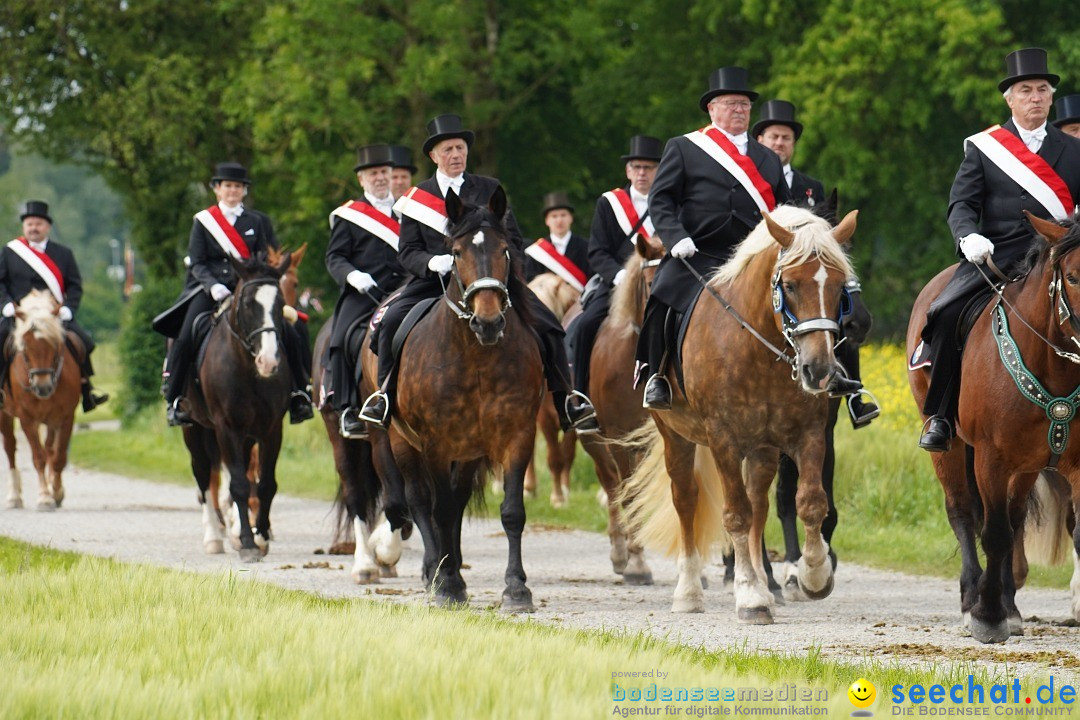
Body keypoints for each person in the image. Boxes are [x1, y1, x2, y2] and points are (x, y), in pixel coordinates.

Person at [357, 114, 599, 433]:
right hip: (433, 284)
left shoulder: (489, 188)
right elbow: (407, 252)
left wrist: (503, 270)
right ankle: (383, 397)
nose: (455, 154)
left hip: (491, 283)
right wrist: (432, 263)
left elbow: (512, 238)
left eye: (460, 148)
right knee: (389, 323)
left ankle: (566, 400)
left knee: (549, 324)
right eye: (448, 150)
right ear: (434, 156)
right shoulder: (416, 198)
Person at [918, 48, 1080, 451]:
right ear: (1009, 98)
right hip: (996, 256)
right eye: (1025, 90)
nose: (1036, 97)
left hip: (1061, 256)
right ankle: (939, 414)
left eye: (1043, 89)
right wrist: (967, 236)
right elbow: (961, 204)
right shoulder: (984, 147)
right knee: (943, 312)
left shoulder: (1074, 148)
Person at [636, 66, 794, 409]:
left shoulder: (767, 157)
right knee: (662, 293)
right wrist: (675, 237)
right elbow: (660, 199)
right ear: (712, 109)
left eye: (744, 104)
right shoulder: (683, 147)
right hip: (699, 252)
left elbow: (783, 206)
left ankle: (816, 372)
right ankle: (656, 374)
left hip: (754, 256)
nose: (739, 110)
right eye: (730, 103)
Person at [154, 162, 314, 427]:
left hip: (253, 291)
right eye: (227, 186)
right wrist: (213, 285)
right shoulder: (203, 221)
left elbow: (271, 257)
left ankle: (299, 393)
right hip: (209, 289)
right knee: (185, 333)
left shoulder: (258, 221)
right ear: (217, 189)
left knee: (293, 329)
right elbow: (196, 262)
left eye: (238, 186)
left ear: (244, 191)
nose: (232, 191)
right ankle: (175, 399)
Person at [753, 100, 878, 427]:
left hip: (809, 271)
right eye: (773, 137)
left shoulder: (812, 187)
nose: (779, 143)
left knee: (850, 310)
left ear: (793, 144)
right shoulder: (750, 182)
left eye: (786, 138)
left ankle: (852, 394)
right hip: (765, 271)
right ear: (760, 142)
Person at [566, 136, 661, 402]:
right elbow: (596, 251)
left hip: (662, 281)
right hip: (617, 281)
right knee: (584, 325)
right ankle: (581, 396)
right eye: (636, 167)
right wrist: (620, 277)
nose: (642, 173)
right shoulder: (609, 203)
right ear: (628, 171)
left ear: (658, 171)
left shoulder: (668, 203)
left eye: (648, 168)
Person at [325, 144, 407, 438]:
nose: (381, 178)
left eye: (385, 172)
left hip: (405, 289)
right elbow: (334, 257)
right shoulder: (350, 216)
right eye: (374, 173)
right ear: (362, 179)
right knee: (341, 337)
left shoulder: (407, 212)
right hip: (365, 292)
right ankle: (346, 408)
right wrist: (352, 275)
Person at [0, 200, 108, 412]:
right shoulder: (9, 252)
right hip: (20, 315)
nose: (34, 228)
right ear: (24, 227)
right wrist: (6, 305)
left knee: (83, 342)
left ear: (47, 226)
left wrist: (69, 308)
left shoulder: (63, 253)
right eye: (29, 223)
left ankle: (87, 391)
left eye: (38, 223)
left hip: (53, 315)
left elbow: (75, 285)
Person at [523, 191, 591, 288]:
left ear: (571, 218)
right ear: (547, 220)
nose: (559, 220)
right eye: (554, 216)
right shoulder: (537, 252)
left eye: (563, 215)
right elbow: (530, 282)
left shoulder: (586, 246)